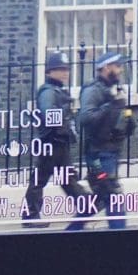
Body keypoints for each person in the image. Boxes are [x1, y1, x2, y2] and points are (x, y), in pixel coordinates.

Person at [23, 52, 95, 230]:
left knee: (67, 177)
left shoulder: (56, 90)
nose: (65, 73)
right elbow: (49, 114)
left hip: (58, 142)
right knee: (40, 179)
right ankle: (30, 215)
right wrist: (63, 125)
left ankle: (86, 204)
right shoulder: (48, 91)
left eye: (66, 69)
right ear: (49, 72)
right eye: (60, 69)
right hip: (51, 142)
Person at [78, 52, 135, 229]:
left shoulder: (112, 90)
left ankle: (72, 229)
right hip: (99, 154)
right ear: (106, 68)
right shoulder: (92, 90)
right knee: (113, 195)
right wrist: (111, 106)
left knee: (103, 197)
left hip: (111, 152)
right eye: (117, 66)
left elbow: (123, 123)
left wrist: (127, 117)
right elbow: (86, 118)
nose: (120, 70)